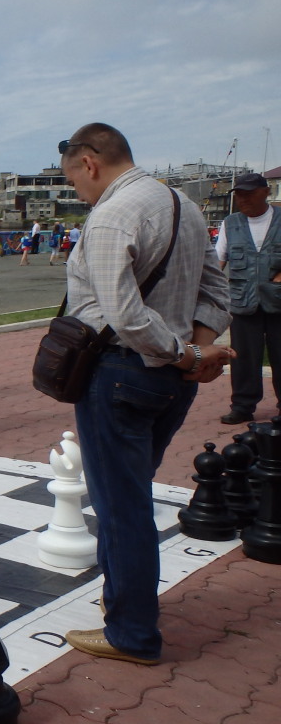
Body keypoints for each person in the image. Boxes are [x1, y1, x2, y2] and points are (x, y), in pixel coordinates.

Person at [58, 123, 231, 665]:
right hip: (169, 383)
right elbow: (217, 290)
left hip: (122, 373)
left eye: (75, 183)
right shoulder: (184, 206)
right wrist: (196, 348)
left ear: (90, 163)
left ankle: (132, 633)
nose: (80, 195)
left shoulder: (114, 213)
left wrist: (185, 356)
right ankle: (123, 600)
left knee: (122, 507)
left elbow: (125, 316)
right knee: (129, 495)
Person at [214, 172, 280, 425]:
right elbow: (218, 261)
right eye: (239, 194)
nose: (243, 199)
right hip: (242, 301)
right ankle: (242, 406)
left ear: (266, 192)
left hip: (278, 302)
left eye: (249, 193)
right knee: (243, 357)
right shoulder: (230, 223)